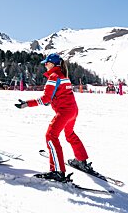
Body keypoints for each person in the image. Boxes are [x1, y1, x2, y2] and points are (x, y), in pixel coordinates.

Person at [14, 53, 93, 182]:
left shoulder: (53, 76)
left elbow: (46, 98)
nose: (45, 65)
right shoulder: (63, 75)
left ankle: (57, 171)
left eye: (47, 63)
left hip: (64, 112)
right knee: (70, 134)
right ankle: (81, 161)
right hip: (73, 110)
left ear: (52, 64)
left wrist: (27, 104)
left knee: (51, 136)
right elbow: (55, 96)